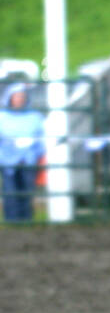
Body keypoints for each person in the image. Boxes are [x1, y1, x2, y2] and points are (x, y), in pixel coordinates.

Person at [0, 83, 43, 222]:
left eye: (22, 97)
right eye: (16, 97)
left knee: (26, 191)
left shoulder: (34, 117)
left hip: (28, 158)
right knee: (11, 191)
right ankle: (12, 220)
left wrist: (36, 153)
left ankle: (26, 220)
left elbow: (42, 138)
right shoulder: (3, 117)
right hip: (7, 160)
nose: (19, 99)